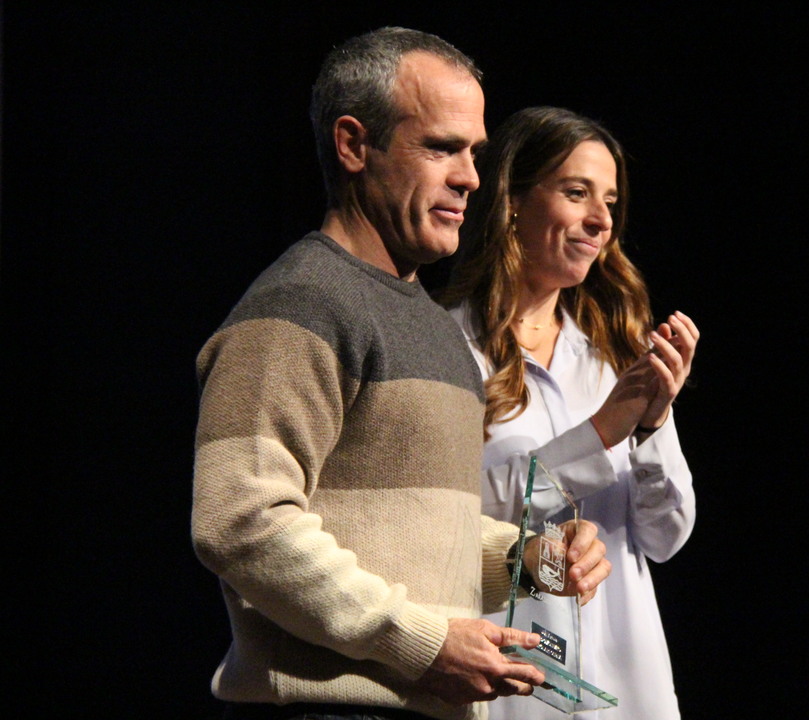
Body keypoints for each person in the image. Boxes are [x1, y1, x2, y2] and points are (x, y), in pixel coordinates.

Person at [191, 30, 611, 720]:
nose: (471, 178)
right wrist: (423, 644)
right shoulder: (300, 305)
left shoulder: (434, 329)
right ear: (354, 145)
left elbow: (423, 536)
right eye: (442, 148)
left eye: (475, 153)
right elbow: (241, 521)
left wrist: (532, 560)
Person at [439, 106, 699, 719]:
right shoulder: (447, 348)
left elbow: (666, 536)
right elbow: (445, 521)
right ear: (512, 201)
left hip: (626, 685)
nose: (601, 220)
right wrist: (602, 432)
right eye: (577, 193)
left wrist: (652, 423)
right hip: (516, 688)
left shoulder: (614, 356)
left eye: (609, 201)